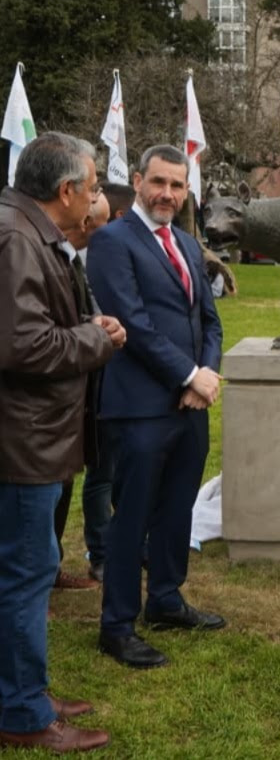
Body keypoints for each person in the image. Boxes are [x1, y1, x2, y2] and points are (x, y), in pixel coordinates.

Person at [0, 132, 125, 753]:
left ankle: (23, 691)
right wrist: (96, 340)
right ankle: (22, 713)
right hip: (23, 441)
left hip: (33, 437)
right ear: (66, 191)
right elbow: (22, 346)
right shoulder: (18, 239)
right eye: (94, 184)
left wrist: (80, 327)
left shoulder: (24, 232)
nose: (97, 196)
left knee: (27, 569)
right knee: (27, 575)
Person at [87, 145, 225, 669]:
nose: (168, 193)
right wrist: (188, 374)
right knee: (133, 517)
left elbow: (207, 321)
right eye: (159, 182)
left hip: (190, 407)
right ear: (139, 182)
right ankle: (117, 625)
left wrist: (204, 377)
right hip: (140, 408)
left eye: (177, 185)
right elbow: (133, 323)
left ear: (187, 191)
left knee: (176, 510)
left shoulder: (188, 245)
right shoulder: (112, 241)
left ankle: (165, 600)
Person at [51, 192, 111, 591]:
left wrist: (95, 322)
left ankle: (50, 570)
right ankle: (35, 582)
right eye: (95, 219)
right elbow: (34, 340)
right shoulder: (30, 250)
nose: (96, 228)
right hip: (44, 405)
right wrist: (98, 335)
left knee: (65, 482)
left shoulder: (69, 258)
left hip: (74, 399)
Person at [81, 183, 136, 582]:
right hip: (96, 382)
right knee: (101, 473)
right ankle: (100, 553)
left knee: (122, 468)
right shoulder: (84, 257)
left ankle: (126, 544)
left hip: (125, 379)